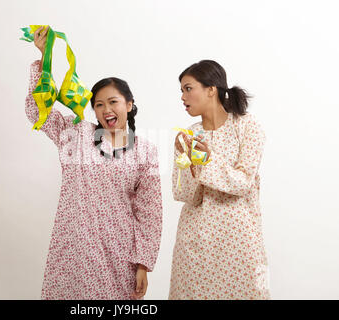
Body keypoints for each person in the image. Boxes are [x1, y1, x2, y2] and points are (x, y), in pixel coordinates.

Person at [25, 27, 163, 299]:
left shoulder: (145, 151)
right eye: (99, 105)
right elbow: (36, 111)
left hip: (118, 254)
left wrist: (143, 264)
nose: (106, 110)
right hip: (73, 250)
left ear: (130, 105)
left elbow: (150, 213)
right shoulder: (76, 134)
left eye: (113, 102)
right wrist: (44, 60)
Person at [169, 60, 270, 300]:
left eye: (188, 88)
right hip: (195, 243)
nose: (182, 96)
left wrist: (206, 161)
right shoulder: (189, 135)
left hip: (238, 243)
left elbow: (243, 182)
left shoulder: (247, 127)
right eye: (181, 90)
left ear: (211, 89)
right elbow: (183, 194)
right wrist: (186, 161)